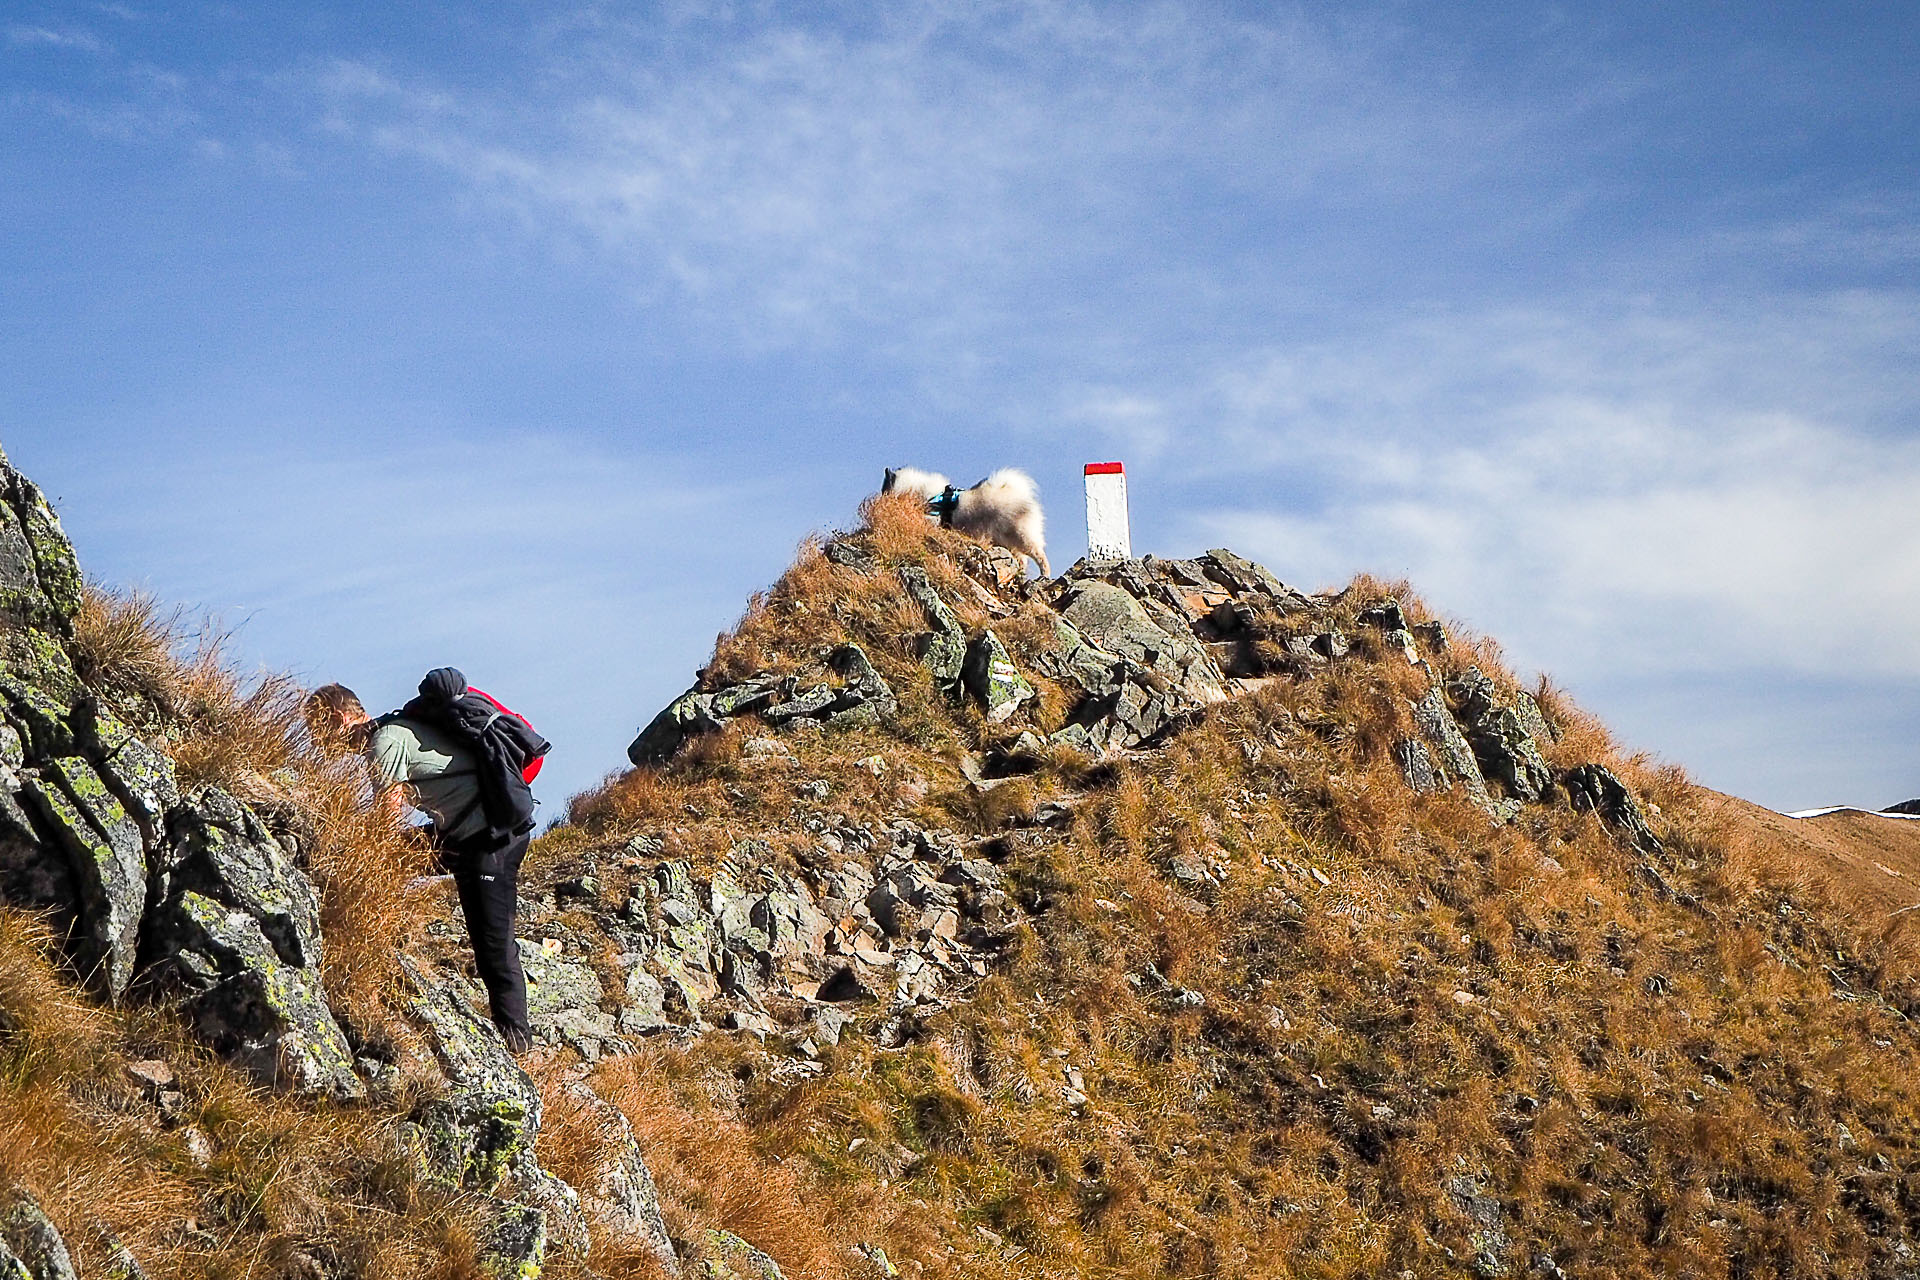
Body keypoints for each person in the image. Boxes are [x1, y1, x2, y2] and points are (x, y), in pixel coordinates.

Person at [305, 681, 535, 1052]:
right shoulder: (389, 734)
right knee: (487, 937)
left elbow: (383, 828)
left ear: (337, 718)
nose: (316, 742)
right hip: (463, 833)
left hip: (487, 838)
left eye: (317, 730)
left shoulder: (384, 742)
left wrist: (366, 885)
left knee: (492, 943)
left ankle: (518, 1047)